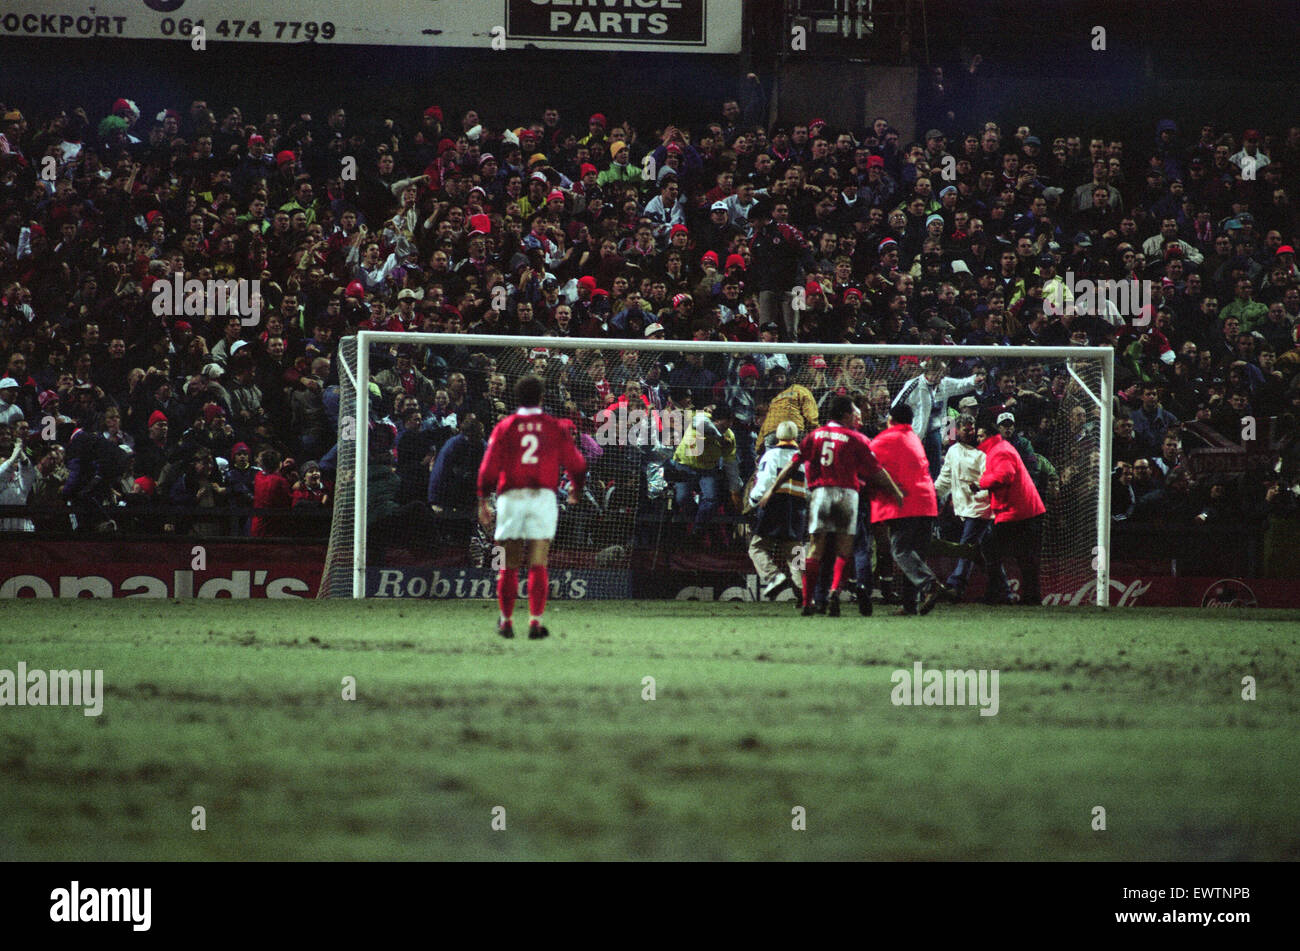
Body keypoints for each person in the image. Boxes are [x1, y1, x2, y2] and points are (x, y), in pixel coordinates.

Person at [760, 395, 904, 617]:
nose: (855, 416)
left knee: (815, 549)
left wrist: (771, 489)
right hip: (847, 494)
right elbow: (877, 471)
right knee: (844, 550)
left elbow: (792, 465)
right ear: (845, 415)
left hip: (821, 494)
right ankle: (835, 591)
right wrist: (895, 491)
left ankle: (808, 602)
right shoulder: (856, 439)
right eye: (853, 412)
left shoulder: (814, 436)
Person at [477, 374, 588, 640]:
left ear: (516, 397)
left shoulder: (505, 426)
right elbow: (578, 464)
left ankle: (506, 622)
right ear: (541, 397)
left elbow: (488, 468)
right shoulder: (555, 426)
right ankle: (535, 623)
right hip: (543, 498)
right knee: (539, 562)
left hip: (511, 498)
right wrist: (576, 488)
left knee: (508, 565)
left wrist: (482, 500)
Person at [870, 403, 943, 616]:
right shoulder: (914, 438)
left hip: (906, 502)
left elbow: (868, 464)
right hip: (927, 502)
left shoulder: (885, 439)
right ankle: (910, 604)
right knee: (915, 555)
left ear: (890, 419)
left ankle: (929, 585)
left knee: (900, 550)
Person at [971, 412, 1047, 605]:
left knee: (989, 548)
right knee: (1023, 556)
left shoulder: (1000, 450)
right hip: (1021, 509)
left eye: (980, 436)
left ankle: (998, 594)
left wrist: (981, 483)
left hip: (1017, 510)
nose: (978, 439)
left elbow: (1005, 475)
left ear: (988, 435)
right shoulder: (1000, 448)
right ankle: (1029, 596)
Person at [933, 413, 991, 601]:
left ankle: (955, 587)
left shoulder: (982, 452)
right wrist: (932, 493)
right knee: (986, 552)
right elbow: (945, 478)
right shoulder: (953, 451)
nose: (970, 432)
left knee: (966, 547)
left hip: (979, 507)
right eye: (966, 429)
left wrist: (981, 492)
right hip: (963, 509)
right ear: (957, 430)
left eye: (972, 429)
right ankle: (1001, 589)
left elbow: (989, 479)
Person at [747, 420, 807, 601]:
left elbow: (765, 481)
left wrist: (753, 500)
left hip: (774, 504)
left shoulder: (771, 455)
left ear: (778, 436)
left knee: (757, 547)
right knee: (795, 553)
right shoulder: (803, 457)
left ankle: (774, 576)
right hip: (797, 507)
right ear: (795, 436)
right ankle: (806, 593)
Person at [891, 358, 980, 478]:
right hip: (915, 433)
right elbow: (896, 405)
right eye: (940, 374)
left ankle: (935, 493)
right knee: (914, 467)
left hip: (935, 433)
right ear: (931, 373)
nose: (942, 377)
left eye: (943, 374)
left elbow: (960, 385)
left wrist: (974, 380)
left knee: (935, 469)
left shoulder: (944, 384)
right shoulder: (914, 385)